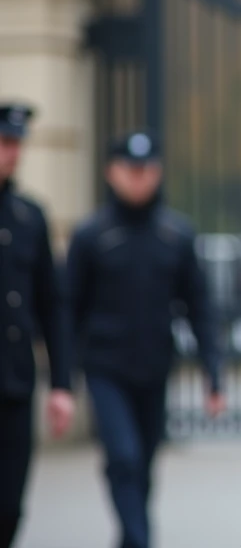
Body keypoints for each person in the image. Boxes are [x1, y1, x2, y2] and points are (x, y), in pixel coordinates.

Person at [67, 131, 226, 548]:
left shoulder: (175, 235)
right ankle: (139, 539)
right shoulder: (91, 236)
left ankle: (130, 535)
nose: (140, 179)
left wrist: (214, 373)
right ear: (111, 173)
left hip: (154, 367)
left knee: (144, 462)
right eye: (131, 170)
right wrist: (62, 383)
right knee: (123, 457)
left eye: (147, 170)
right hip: (106, 370)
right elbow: (67, 311)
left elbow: (199, 308)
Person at [0, 102, 74, 548]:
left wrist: (61, 384)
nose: (15, 153)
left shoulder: (29, 216)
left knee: (10, 504)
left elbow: (52, 304)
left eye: (18, 144)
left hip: (13, 383)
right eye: (7, 142)